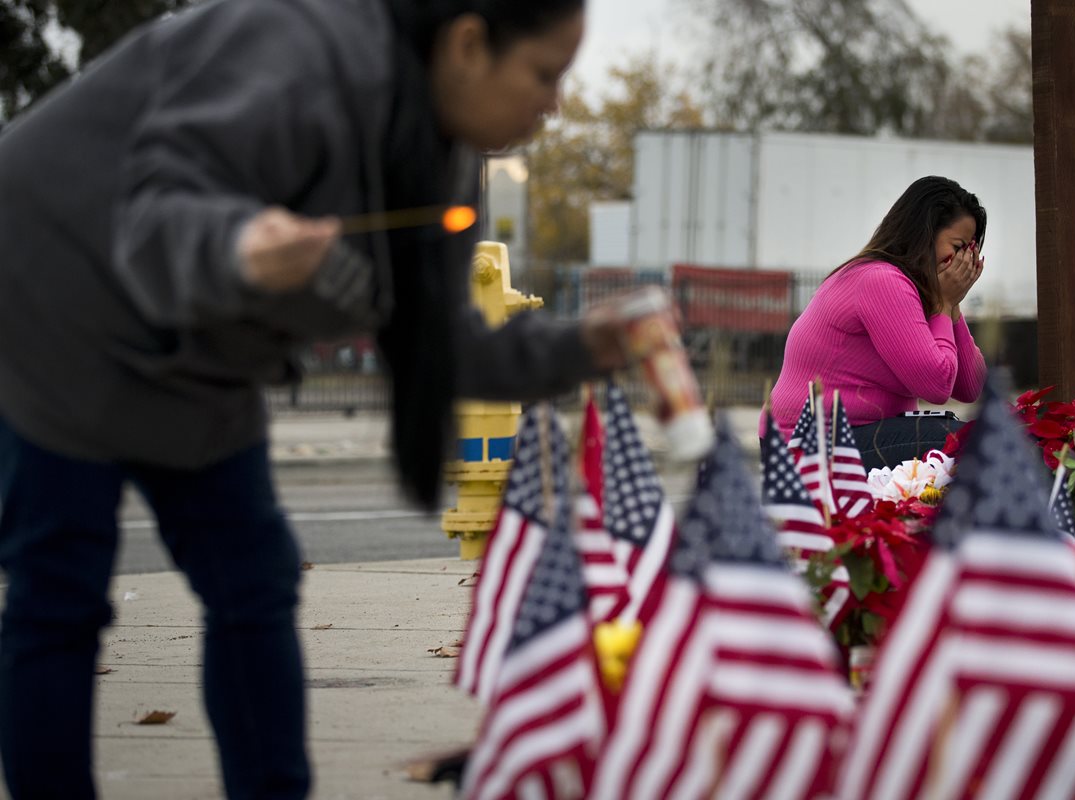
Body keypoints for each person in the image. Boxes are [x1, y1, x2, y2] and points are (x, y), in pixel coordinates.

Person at [0, 0, 623, 797]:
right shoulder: (300, 56)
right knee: (61, 591)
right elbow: (159, 208)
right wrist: (237, 247)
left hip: (206, 345)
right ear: (468, 44)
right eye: (545, 72)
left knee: (253, 579)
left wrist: (583, 347)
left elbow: (441, 344)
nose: (554, 103)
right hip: (57, 293)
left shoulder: (444, 159)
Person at [764, 175, 988, 471]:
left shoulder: (919, 292)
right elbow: (936, 386)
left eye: (971, 251)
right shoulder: (881, 281)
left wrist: (952, 305)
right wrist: (945, 305)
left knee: (978, 436)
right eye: (958, 247)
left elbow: (970, 387)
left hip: (854, 436)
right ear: (924, 234)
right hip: (809, 447)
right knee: (963, 441)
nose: (964, 261)